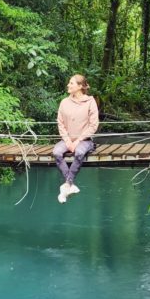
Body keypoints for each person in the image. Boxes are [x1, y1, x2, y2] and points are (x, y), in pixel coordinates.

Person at [53, 74, 99, 204]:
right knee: (56, 152)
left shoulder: (90, 102)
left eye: (71, 83)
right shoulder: (64, 102)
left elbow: (93, 125)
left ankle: (67, 185)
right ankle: (70, 185)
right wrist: (67, 141)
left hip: (84, 141)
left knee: (79, 153)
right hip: (67, 139)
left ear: (80, 86)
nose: (68, 85)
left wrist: (78, 140)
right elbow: (60, 123)